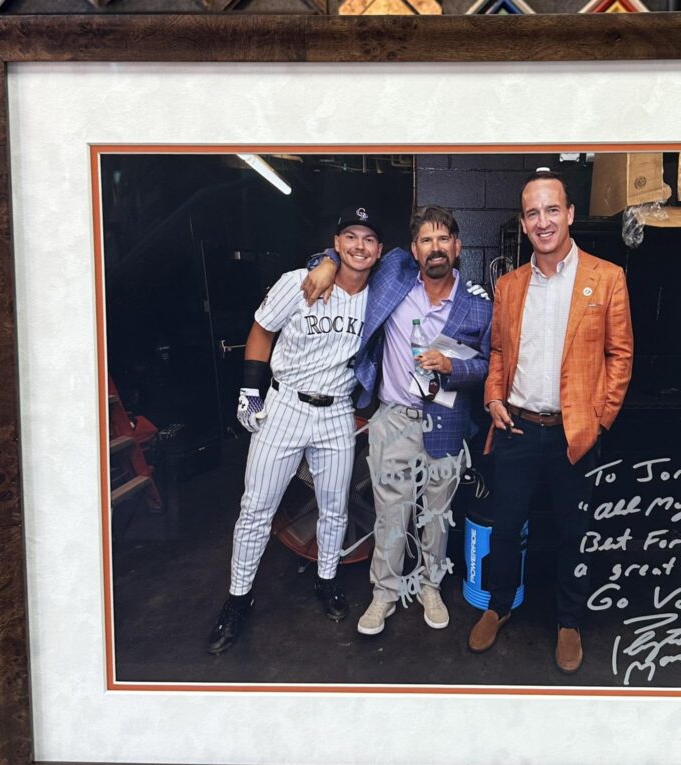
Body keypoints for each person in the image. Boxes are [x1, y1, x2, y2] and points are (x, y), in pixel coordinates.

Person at [467, 170, 634, 674]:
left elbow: (619, 356)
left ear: (570, 215)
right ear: (524, 222)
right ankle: (498, 606)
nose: (543, 221)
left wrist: (599, 420)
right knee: (505, 526)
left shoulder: (606, 278)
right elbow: (497, 352)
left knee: (571, 533)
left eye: (552, 210)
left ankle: (568, 621)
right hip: (516, 428)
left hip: (573, 435)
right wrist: (494, 396)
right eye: (533, 213)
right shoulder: (510, 286)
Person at [303, 205, 492, 636]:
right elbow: (349, 256)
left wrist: (452, 366)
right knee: (391, 514)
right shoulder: (394, 274)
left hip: (446, 417)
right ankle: (384, 594)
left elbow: (486, 365)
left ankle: (430, 586)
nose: (436, 247)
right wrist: (325, 262)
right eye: (427, 240)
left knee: (438, 513)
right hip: (393, 418)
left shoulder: (478, 304)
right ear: (413, 249)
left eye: (444, 239)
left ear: (458, 247)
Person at [206, 207, 382, 655]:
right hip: (285, 404)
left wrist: (325, 260)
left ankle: (327, 582)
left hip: (337, 412)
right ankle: (238, 600)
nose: (359, 246)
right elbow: (262, 329)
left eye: (369, 239)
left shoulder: (378, 295)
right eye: (350, 237)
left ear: (379, 250)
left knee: (334, 509)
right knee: (256, 508)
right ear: (336, 242)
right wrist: (249, 390)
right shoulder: (298, 282)